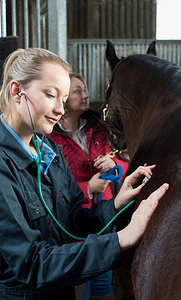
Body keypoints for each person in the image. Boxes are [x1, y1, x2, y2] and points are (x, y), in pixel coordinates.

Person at [0, 47, 169, 300]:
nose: (60, 109)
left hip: (60, 290)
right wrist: (122, 238)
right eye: (51, 95)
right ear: (17, 91)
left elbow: (72, 221)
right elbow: (32, 264)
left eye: (64, 98)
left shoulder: (48, 148)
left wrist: (115, 204)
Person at [48, 73, 129, 299]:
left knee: (103, 280)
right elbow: (49, 185)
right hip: (70, 221)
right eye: (77, 91)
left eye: (85, 90)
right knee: (72, 283)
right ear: (63, 98)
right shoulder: (50, 136)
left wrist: (114, 164)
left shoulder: (99, 127)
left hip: (102, 216)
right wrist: (87, 188)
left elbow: (122, 162)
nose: (86, 95)